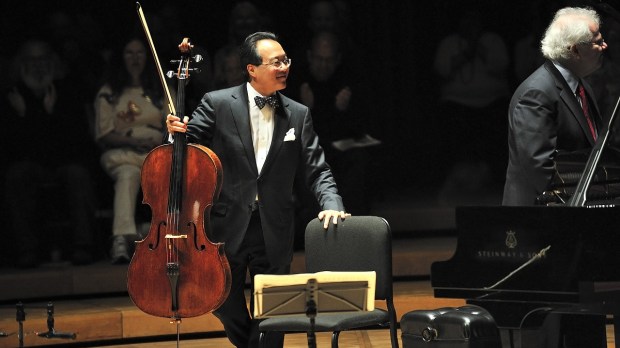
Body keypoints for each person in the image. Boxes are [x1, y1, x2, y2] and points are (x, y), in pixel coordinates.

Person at [166, 31, 349, 348]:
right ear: (252, 68)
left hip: (274, 225)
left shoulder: (298, 113)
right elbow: (186, 144)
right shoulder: (218, 103)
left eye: (286, 60)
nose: (284, 67)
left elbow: (317, 168)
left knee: (274, 313)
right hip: (226, 225)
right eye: (276, 62)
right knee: (223, 302)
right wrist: (175, 132)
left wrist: (331, 202)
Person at [502, 7, 608, 348]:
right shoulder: (538, 93)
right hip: (542, 232)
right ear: (574, 50)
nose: (605, 44)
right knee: (549, 333)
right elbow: (540, 171)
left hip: (573, 229)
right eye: (597, 40)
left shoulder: (580, 86)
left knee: (581, 326)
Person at [2, 39, 97, 267]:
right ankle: (26, 250)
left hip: (64, 163)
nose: (38, 66)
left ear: (52, 62)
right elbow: (12, 150)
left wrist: (50, 113)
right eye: (32, 60)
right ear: (22, 64)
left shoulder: (67, 91)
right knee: (16, 175)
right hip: (30, 165)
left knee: (78, 174)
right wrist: (26, 117)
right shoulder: (13, 95)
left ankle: (84, 246)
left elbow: (77, 144)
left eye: (43, 59)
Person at [94, 36, 168, 264]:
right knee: (128, 174)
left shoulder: (159, 89)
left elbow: (173, 121)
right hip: (123, 154)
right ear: (121, 57)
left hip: (156, 154)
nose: (135, 58)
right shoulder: (109, 93)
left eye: (140, 53)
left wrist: (161, 141)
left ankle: (156, 234)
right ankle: (122, 240)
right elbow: (103, 134)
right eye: (129, 53)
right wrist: (134, 143)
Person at [433, 8, 511, 205]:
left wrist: (480, 49)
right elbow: (442, 70)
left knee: (496, 123)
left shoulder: (492, 41)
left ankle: (494, 182)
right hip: (457, 102)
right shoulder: (449, 43)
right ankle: (456, 181)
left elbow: (502, 66)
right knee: (455, 123)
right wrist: (465, 54)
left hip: (491, 101)